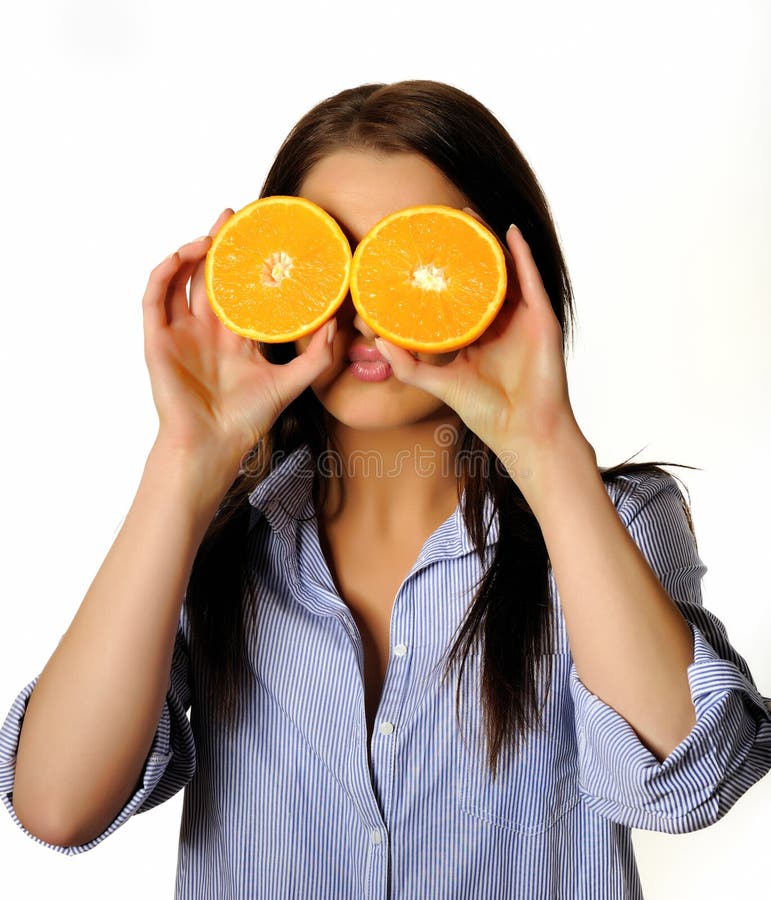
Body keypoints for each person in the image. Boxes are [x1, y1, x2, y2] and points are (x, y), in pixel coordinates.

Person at [1, 80, 770, 899]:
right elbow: (57, 808)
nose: (363, 311)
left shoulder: (609, 520)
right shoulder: (213, 534)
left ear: (507, 278)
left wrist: (545, 448)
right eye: (331, 259)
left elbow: (685, 789)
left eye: (411, 260)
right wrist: (187, 456)